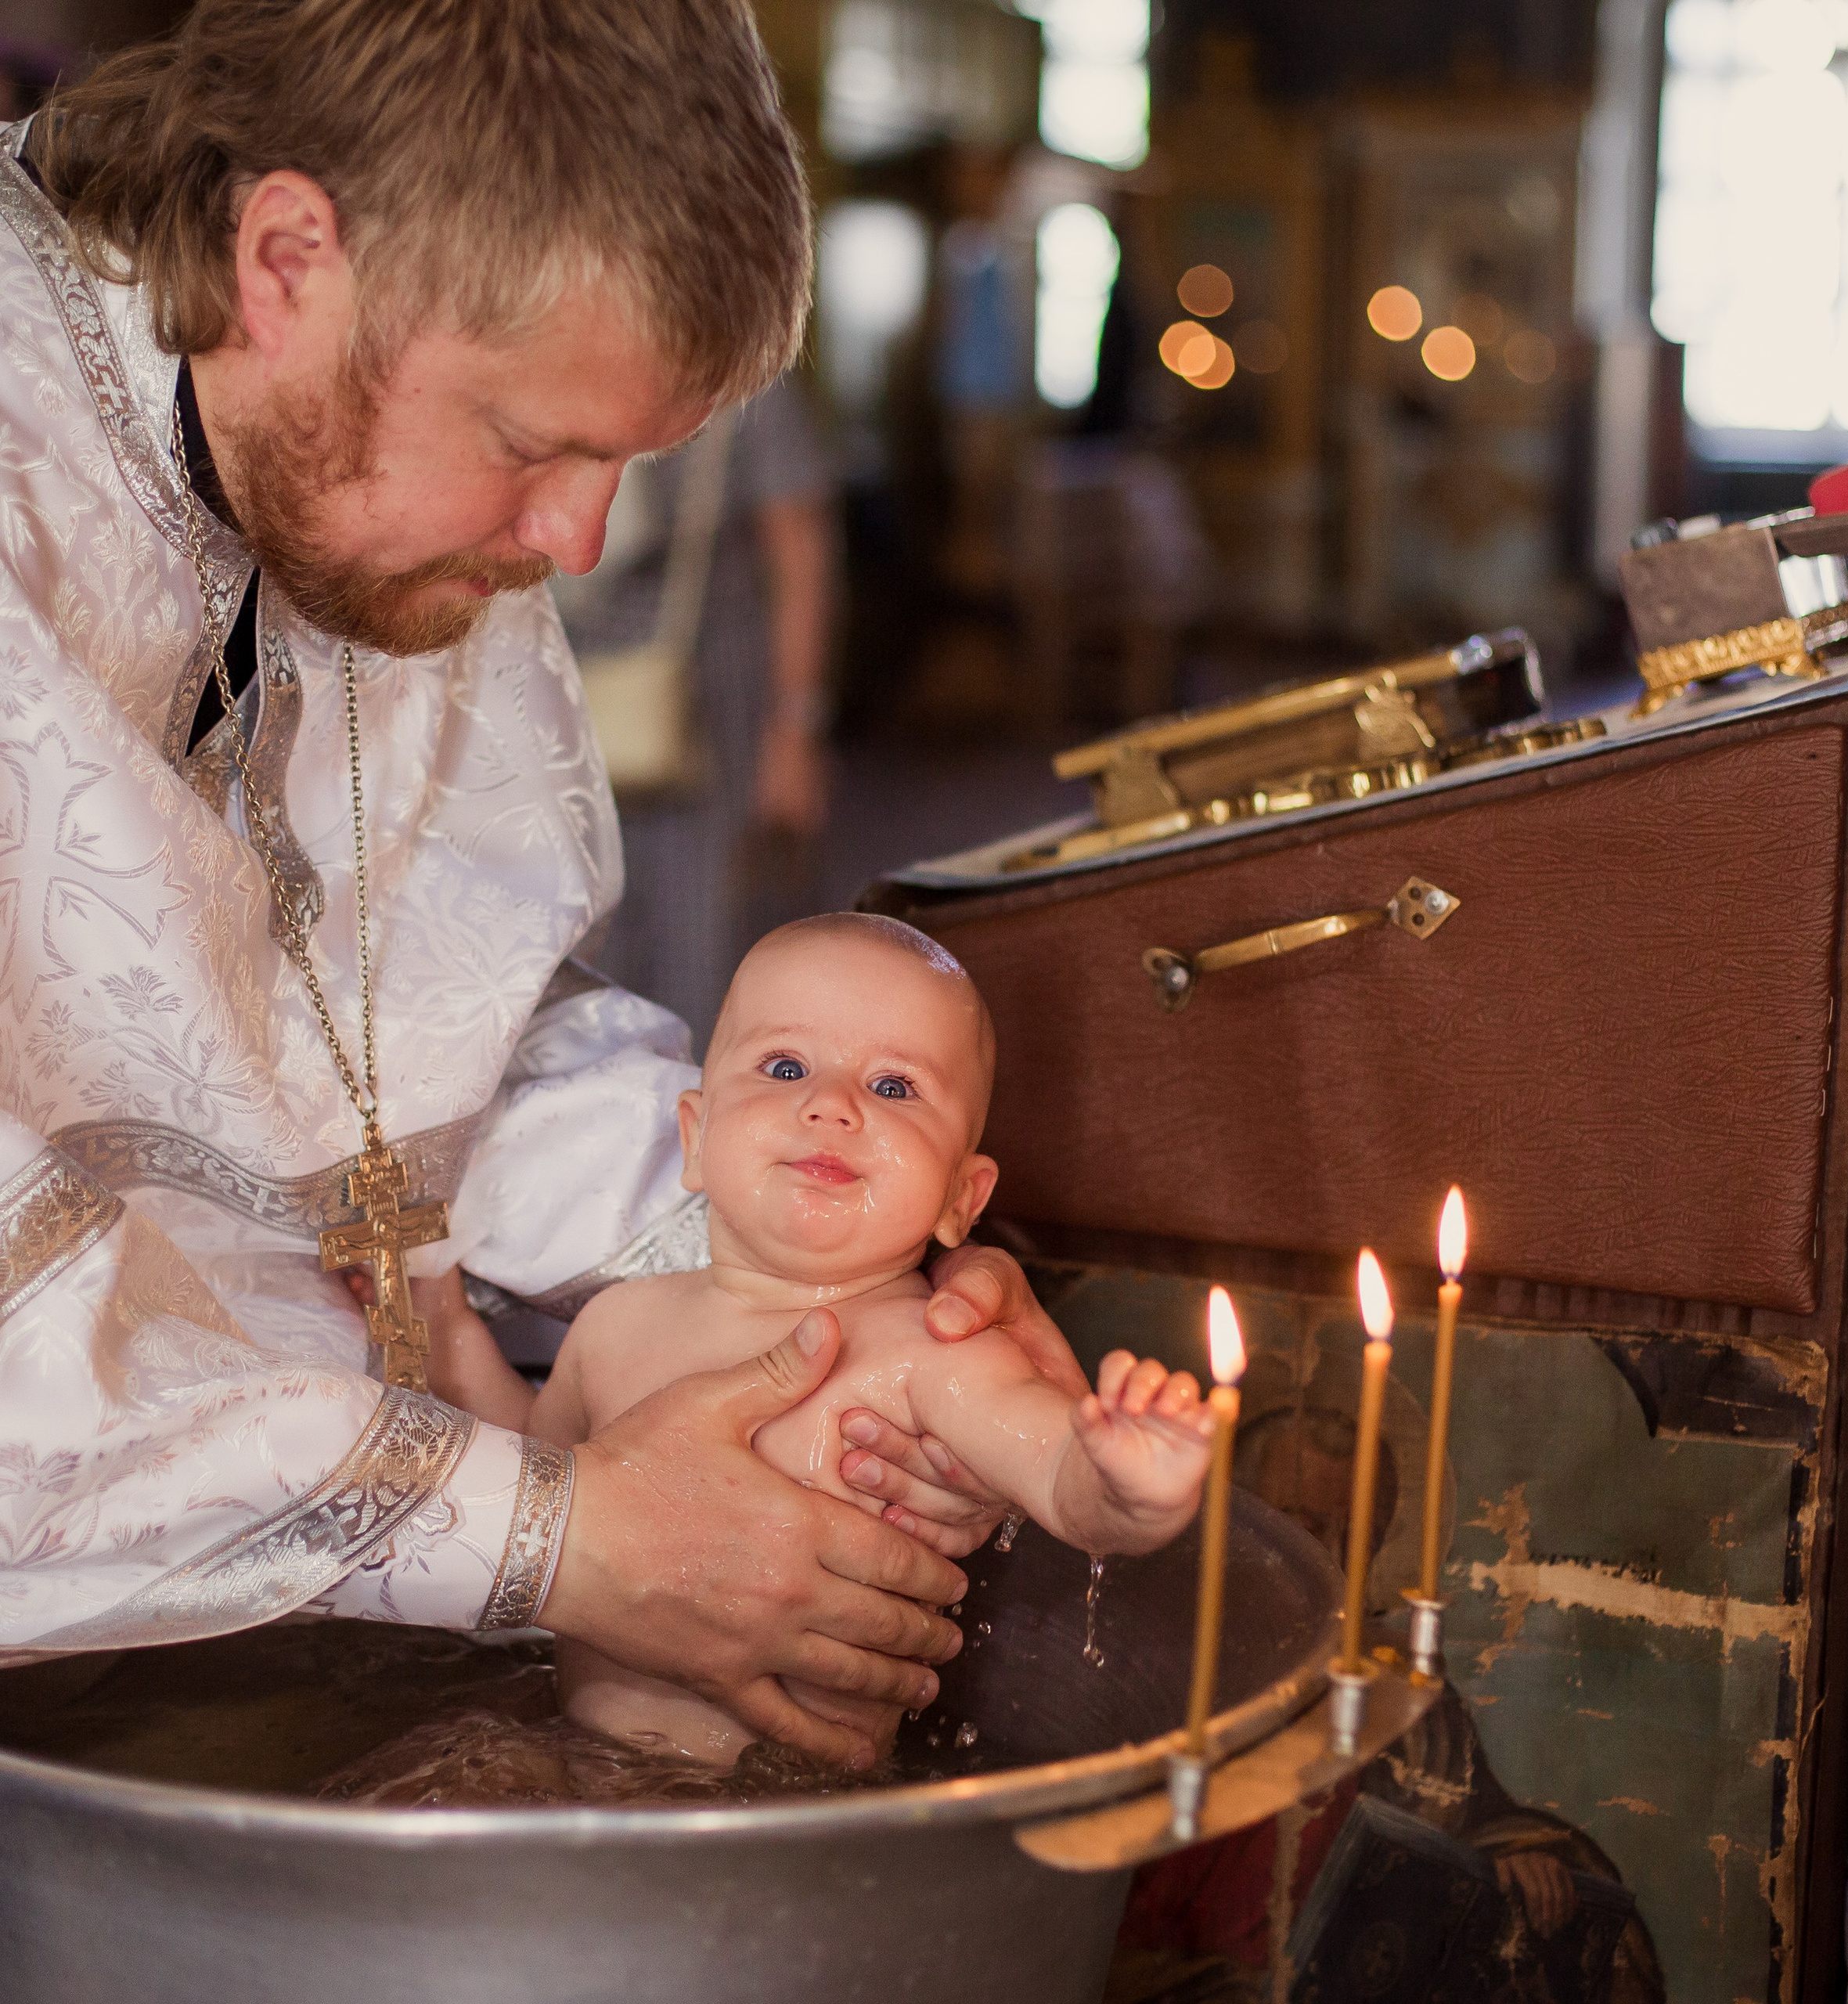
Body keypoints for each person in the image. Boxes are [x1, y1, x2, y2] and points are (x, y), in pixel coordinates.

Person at [0, 0, 1086, 1773]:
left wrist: (826, 1278)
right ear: (287, 257)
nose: (573, 547)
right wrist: (557, 1536)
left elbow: (444, 1022)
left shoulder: (368, 483)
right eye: (530, 444)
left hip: (266, 1602)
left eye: (624, 466)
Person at [421, 913, 1213, 1764]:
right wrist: (444, 1327)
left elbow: (1059, 1477)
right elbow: (529, 1485)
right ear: (695, 1137)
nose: (831, 1104)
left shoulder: (932, 1353)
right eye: (786, 1066)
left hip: (787, 1803)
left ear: (961, 1197)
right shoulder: (615, 1324)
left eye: (894, 1087)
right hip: (577, 1767)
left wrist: (1130, 1485)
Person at [562, 375, 837, 1047]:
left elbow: (799, 550)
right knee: (577, 961)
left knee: (702, 950)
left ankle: (706, 1130)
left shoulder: (745, 378)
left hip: (713, 704)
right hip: (561, 704)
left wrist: (794, 732)